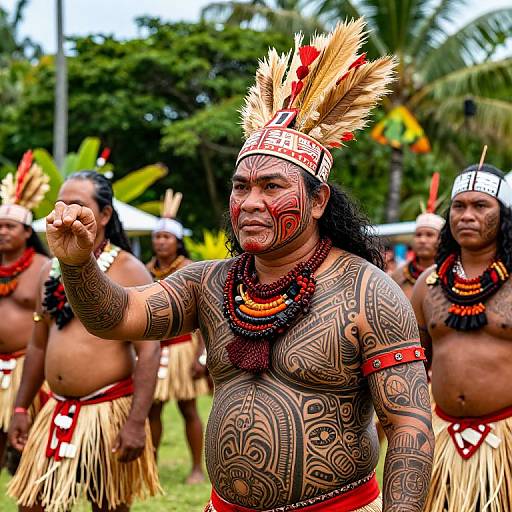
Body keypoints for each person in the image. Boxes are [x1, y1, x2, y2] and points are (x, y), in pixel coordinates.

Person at [45, 20, 434, 512]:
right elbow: (116, 317)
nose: (250, 202)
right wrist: (78, 265)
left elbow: (408, 427)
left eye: (272, 187)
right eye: (240, 187)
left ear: (317, 202)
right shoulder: (208, 283)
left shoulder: (368, 292)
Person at [8, 171, 161, 512]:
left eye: (76, 205)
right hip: (56, 407)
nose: (65, 213)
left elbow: (149, 351)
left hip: (107, 412)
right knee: (31, 505)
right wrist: (21, 406)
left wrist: (137, 422)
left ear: (104, 215)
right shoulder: (52, 269)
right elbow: (38, 344)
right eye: (60, 204)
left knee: (107, 505)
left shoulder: (128, 269)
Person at [412, 162, 512, 511]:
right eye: (459, 206)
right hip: (441, 442)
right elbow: (409, 367)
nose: (466, 215)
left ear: (505, 215)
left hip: (505, 446)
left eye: (480, 206)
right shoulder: (428, 285)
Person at [147, 189, 209, 484]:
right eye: (157, 237)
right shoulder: (146, 271)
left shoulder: (190, 270)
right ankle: (153, 465)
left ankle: (197, 468)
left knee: (188, 409)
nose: (161, 242)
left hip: (185, 348)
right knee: (152, 409)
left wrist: (202, 355)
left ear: (177, 241)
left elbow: (205, 316)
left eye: (166, 237)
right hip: (156, 351)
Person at [0, 151, 50, 472]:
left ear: (27, 232)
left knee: (27, 449)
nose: (2, 232)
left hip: (25, 366)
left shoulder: (45, 268)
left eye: (9, 227)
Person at [392, 173, 445, 299]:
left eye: (429, 235)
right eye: (418, 235)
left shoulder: (451, 275)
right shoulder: (397, 276)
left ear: (441, 239)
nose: (422, 240)